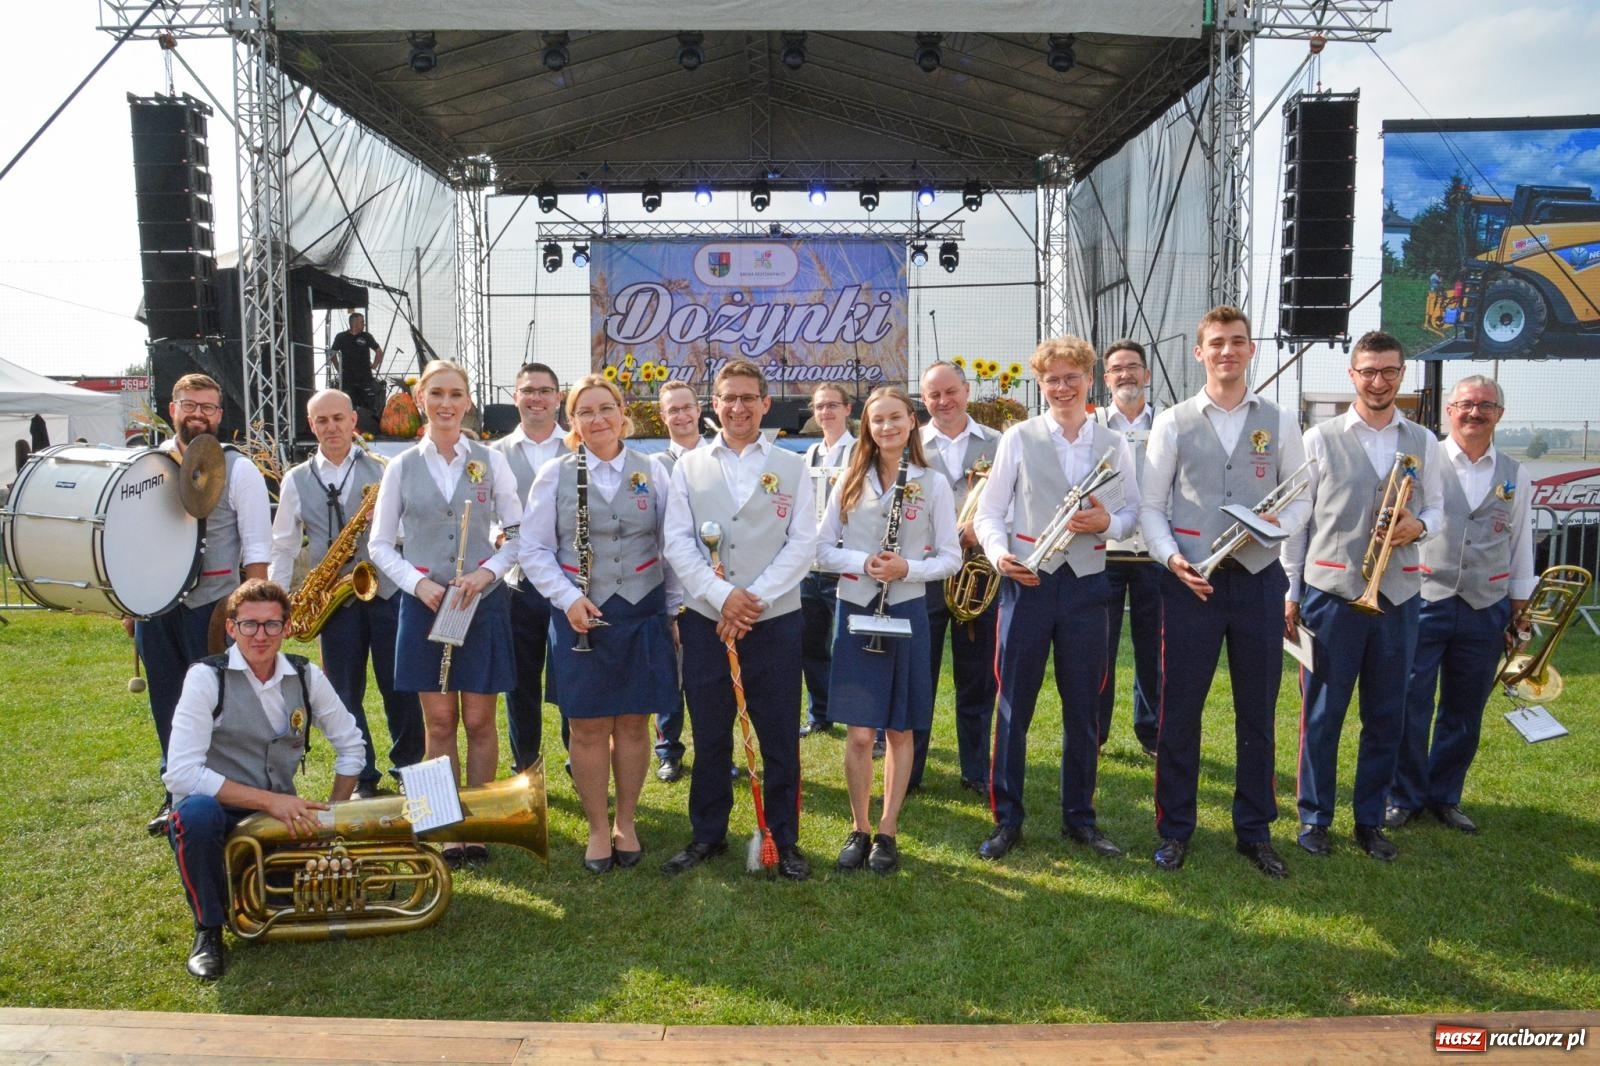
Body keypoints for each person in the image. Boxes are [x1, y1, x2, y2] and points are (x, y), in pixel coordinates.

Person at [1139, 307, 1309, 877]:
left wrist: (1269, 532)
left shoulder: (1282, 420)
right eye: (1216, 343)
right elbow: (1150, 506)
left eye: (1237, 342)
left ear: (1251, 349)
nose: (1226, 352)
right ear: (1199, 352)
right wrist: (1172, 558)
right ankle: (1175, 829)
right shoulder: (1175, 422)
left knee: (1257, 713)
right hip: (1193, 586)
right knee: (1180, 712)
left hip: (1259, 583)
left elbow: (1302, 496)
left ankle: (1255, 831)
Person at [974, 336, 1140, 862]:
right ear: (1041, 384)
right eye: (1052, 379)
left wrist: (1107, 522)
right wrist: (1000, 554)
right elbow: (989, 512)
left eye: (1072, 377)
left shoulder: (1115, 444)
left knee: (1084, 709)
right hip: (1028, 585)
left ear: (1090, 380)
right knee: (1012, 707)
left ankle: (1080, 819)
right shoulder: (1018, 438)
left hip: (1089, 585)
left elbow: (1132, 513)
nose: (1062, 387)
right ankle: (1008, 819)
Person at [1283, 331, 1444, 862]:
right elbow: (1297, 525)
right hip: (1331, 593)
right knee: (1323, 713)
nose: (1379, 382)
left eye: (1389, 372)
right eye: (1368, 371)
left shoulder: (1423, 441)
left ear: (1402, 377)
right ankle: (1314, 818)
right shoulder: (1320, 438)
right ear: (1352, 375)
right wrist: (1291, 591)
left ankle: (1369, 821)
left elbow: (1439, 511)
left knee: (1386, 715)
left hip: (1397, 595)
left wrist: (1417, 526)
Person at [660, 357, 817, 881]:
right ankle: (707, 834)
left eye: (749, 397)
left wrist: (753, 601)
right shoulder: (688, 466)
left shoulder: (794, 466)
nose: (738, 407)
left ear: (766, 404)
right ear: (714, 406)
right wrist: (721, 596)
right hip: (708, 620)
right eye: (728, 398)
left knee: (778, 736)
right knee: (709, 733)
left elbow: (803, 544)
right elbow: (678, 541)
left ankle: (784, 838)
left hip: (774, 622)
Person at [162, 579, 365, 979]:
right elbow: (181, 774)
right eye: (249, 625)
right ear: (231, 628)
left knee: (294, 893)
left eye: (272, 625)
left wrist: (331, 815)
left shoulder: (306, 675)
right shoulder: (206, 677)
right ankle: (208, 930)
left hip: (278, 815)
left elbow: (352, 745)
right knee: (195, 816)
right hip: (219, 809)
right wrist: (272, 802)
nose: (261, 635)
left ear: (287, 628)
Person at [520, 374, 676, 873]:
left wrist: (672, 611)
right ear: (572, 420)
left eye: (605, 408)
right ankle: (595, 827)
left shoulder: (653, 470)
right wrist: (567, 599)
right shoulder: (554, 475)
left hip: (640, 609)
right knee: (586, 727)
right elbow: (535, 550)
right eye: (585, 411)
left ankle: (625, 822)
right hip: (579, 614)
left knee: (632, 723)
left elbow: (673, 547)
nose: (597, 418)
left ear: (622, 410)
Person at [368, 359, 521, 866]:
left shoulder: (490, 460)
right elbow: (380, 545)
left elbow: (518, 536)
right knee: (438, 723)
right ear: (420, 401)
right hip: (426, 606)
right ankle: (442, 825)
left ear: (469, 400)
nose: (447, 404)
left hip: (480, 604)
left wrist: (487, 575)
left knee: (479, 720)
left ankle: (477, 826)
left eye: (456, 394)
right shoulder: (401, 467)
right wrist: (417, 585)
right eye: (437, 394)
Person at [818, 387, 960, 873]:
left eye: (895, 418)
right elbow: (821, 550)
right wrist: (864, 562)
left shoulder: (933, 483)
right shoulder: (849, 480)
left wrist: (906, 569)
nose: (886, 428)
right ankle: (858, 827)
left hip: (907, 613)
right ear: (867, 427)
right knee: (859, 735)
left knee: (900, 730)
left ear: (912, 421)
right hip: (857, 609)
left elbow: (951, 558)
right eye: (877, 420)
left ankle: (888, 830)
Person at [1386, 375, 1534, 835]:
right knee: (1411, 701)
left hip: (1484, 604)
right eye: (1466, 404)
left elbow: (1522, 541)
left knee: (1464, 709)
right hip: (1424, 597)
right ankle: (1403, 795)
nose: (1475, 412)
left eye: (1485, 405)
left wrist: (1519, 606)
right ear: (1449, 411)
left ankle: (1444, 796)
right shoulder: (1422, 463)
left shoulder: (1516, 472)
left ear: (1499, 415)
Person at [132, 372, 272, 835]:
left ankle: (223, 797)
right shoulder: (147, 465)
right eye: (189, 404)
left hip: (214, 607)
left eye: (208, 407)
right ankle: (176, 795)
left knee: (217, 707)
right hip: (157, 606)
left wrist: (252, 617)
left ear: (219, 415)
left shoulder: (240, 468)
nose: (198, 414)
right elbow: (129, 542)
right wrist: (131, 605)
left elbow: (256, 552)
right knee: (166, 702)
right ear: (172, 408)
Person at [268, 388, 423, 799]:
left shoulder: (386, 468)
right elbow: (283, 546)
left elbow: (408, 533)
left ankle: (409, 766)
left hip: (386, 592)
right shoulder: (296, 479)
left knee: (401, 687)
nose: (331, 427)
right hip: (332, 601)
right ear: (311, 424)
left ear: (354, 420)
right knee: (342, 694)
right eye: (322, 420)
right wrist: (279, 601)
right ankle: (363, 774)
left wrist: (381, 519)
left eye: (338, 418)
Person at [916, 359, 1001, 795]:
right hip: (925, 579)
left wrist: (981, 530)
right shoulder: (910, 443)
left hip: (978, 581)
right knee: (918, 680)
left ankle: (974, 771)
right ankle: (909, 773)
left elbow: (1012, 503)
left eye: (951, 392)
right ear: (924, 398)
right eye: (933, 395)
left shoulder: (999, 443)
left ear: (966, 391)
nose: (943, 401)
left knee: (977, 680)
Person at [490, 362, 565, 776]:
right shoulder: (493, 454)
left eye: (544, 390)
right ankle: (526, 769)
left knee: (573, 681)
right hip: (516, 586)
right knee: (520, 685)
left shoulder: (578, 447)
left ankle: (580, 761)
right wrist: (494, 536)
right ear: (515, 397)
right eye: (528, 390)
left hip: (571, 582)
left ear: (558, 397)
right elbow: (482, 511)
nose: (536, 397)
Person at [1093, 340, 1162, 757]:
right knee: (1100, 648)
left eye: (1133, 367)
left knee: (1153, 648)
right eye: (1117, 369)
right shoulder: (1093, 424)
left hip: (1154, 553)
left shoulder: (1169, 423)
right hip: (1104, 551)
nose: (1126, 375)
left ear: (1146, 375)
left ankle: (1152, 734)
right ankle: (1095, 733)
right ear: (1105, 379)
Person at [652, 379, 707, 783]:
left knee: (711, 679)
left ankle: (714, 751)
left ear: (700, 408)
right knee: (669, 674)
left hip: (714, 585)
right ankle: (668, 750)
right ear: (662, 416)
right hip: (669, 583)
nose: (682, 415)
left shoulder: (720, 458)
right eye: (673, 409)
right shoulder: (654, 468)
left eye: (687, 407)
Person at [799, 383, 856, 738]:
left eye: (833, 405)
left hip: (846, 563)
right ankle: (820, 714)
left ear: (848, 409)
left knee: (849, 647)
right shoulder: (809, 454)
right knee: (812, 646)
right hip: (811, 566)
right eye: (820, 407)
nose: (826, 413)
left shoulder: (862, 451)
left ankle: (859, 717)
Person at [330, 311, 384, 420]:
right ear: (354, 322)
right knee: (348, 406)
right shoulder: (341, 337)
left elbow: (378, 351)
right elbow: (332, 353)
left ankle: (369, 427)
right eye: (362, 322)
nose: (364, 324)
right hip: (348, 379)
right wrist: (338, 368)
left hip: (365, 379)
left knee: (368, 406)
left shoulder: (366, 336)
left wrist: (374, 364)